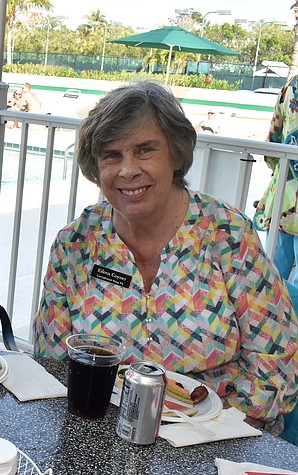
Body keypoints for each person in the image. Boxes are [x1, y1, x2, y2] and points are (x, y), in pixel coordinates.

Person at [33, 80, 298, 437]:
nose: (127, 170)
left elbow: (275, 365)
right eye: (112, 155)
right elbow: (52, 360)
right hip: (101, 428)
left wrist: (214, 434)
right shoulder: (77, 244)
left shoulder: (228, 237)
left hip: (217, 439)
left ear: (175, 154)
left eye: (144, 150)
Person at [255, 75, 298, 292]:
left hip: (284, 192)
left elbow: (274, 138)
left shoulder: (292, 85)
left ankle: (271, 319)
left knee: (274, 270)